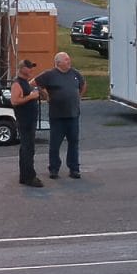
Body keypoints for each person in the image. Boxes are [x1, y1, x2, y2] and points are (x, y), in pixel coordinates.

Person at [35, 51, 86, 180]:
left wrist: (79, 97)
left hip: (73, 115)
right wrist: (45, 95)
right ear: (58, 63)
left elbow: (83, 84)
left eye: (69, 59)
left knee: (73, 142)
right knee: (55, 144)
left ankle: (74, 169)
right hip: (57, 116)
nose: (69, 62)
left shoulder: (75, 74)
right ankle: (54, 168)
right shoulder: (50, 75)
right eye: (66, 60)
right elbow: (36, 83)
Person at [9, 58, 44, 187]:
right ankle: (29, 176)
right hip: (24, 121)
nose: (31, 70)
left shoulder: (27, 83)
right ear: (22, 68)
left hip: (30, 120)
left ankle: (24, 176)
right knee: (27, 149)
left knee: (28, 148)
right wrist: (31, 96)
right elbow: (14, 101)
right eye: (29, 67)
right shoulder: (17, 83)